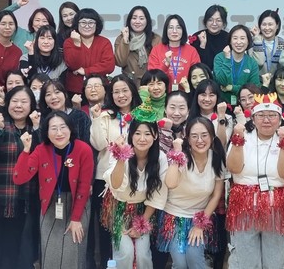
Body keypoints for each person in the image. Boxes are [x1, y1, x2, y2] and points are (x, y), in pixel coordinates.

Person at [226, 93, 284, 269]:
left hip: (277, 203)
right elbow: (234, 168)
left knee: (277, 259)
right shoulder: (242, 138)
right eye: (261, 115)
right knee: (245, 259)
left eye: (272, 115)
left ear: (280, 119)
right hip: (244, 203)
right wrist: (237, 139)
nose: (266, 120)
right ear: (253, 118)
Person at [14, 111, 94, 269]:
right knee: (51, 251)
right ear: (46, 132)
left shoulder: (83, 149)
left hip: (78, 203)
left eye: (63, 127)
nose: (59, 133)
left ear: (70, 129)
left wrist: (76, 218)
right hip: (50, 204)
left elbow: (84, 186)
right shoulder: (41, 150)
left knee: (73, 250)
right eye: (53, 128)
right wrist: (26, 150)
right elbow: (19, 178)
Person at [0, 86, 40, 269]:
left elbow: (42, 155)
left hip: (26, 197)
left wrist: (37, 128)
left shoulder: (34, 126)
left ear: (31, 105)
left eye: (24, 102)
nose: (18, 106)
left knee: (17, 248)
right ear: (7, 104)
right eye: (14, 101)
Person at [103, 104, 169, 269]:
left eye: (147, 134)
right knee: (125, 253)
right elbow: (115, 185)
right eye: (137, 133)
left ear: (155, 135)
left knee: (142, 254)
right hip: (119, 207)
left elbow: (158, 195)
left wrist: (141, 224)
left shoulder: (160, 158)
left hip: (144, 210)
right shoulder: (120, 152)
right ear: (130, 135)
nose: (142, 138)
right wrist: (121, 156)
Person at [158, 116, 226, 269]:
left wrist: (200, 225)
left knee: (195, 259)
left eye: (204, 135)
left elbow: (216, 196)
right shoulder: (182, 157)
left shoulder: (216, 160)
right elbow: (170, 183)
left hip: (200, 216)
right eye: (194, 136)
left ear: (212, 137)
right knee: (180, 263)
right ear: (187, 139)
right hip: (174, 216)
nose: (199, 140)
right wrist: (176, 153)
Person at [89, 74, 142, 269]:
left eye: (125, 90)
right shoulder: (105, 116)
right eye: (116, 92)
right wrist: (96, 119)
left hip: (135, 179)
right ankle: (107, 264)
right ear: (110, 95)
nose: (121, 95)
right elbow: (98, 144)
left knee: (130, 229)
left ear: (132, 92)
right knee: (106, 228)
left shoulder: (142, 115)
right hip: (106, 180)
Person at [63, 8, 115, 96]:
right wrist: (77, 44)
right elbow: (73, 65)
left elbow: (109, 66)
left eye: (91, 23)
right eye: (83, 22)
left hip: (100, 89)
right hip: (75, 91)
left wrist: (86, 70)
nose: (87, 26)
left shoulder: (104, 42)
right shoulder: (69, 42)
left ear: (96, 25)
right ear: (77, 24)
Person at [148, 15, 201, 91]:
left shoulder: (191, 51)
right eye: (171, 27)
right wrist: (166, 64)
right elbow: (152, 76)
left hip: (186, 93)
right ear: (166, 30)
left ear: (183, 30)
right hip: (162, 94)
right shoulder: (156, 50)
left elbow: (197, 74)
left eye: (178, 27)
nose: (174, 31)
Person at [213, 25, 261, 106]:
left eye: (242, 38)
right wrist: (227, 59)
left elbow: (254, 89)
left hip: (245, 105)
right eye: (235, 38)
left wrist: (232, 88)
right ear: (230, 41)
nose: (238, 42)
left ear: (248, 41)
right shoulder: (220, 57)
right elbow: (223, 81)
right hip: (221, 104)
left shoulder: (252, 63)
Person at [115, 5, 161, 88]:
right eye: (134, 18)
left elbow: (159, 65)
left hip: (150, 84)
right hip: (129, 84)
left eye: (141, 18)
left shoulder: (156, 39)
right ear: (129, 20)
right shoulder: (121, 38)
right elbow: (120, 62)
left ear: (147, 21)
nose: (137, 21)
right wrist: (125, 40)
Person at [38, 79, 91, 144]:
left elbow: (87, 142)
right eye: (48, 94)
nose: (53, 97)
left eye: (57, 92)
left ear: (65, 95)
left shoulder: (80, 116)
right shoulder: (43, 118)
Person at [248, 9, 284, 76]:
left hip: (278, 81)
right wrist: (257, 39)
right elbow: (257, 63)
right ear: (259, 26)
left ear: (277, 26)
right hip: (257, 81)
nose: (267, 28)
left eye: (270, 24)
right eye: (264, 24)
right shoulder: (252, 42)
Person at [190, 4, 229, 71]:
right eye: (210, 20)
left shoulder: (228, 38)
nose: (214, 23)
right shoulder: (197, 37)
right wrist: (202, 46)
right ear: (205, 21)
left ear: (224, 22)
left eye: (218, 20)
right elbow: (196, 64)